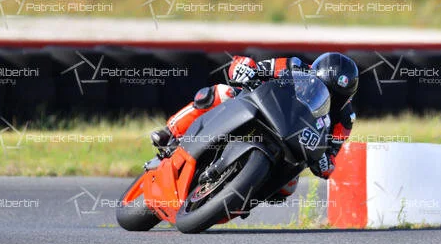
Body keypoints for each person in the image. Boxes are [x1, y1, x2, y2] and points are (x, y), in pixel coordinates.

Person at [150, 52, 359, 199]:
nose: (325, 94)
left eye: (333, 95)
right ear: (313, 72)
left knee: (289, 187)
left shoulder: (344, 119)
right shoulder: (294, 66)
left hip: (291, 143)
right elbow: (252, 66)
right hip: (263, 108)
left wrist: (325, 163)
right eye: (322, 86)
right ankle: (171, 133)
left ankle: (242, 195)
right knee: (222, 92)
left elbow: (332, 157)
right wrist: (244, 69)